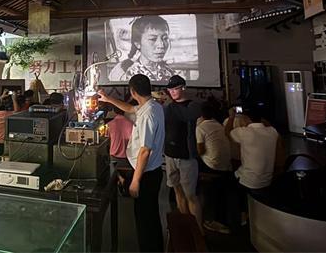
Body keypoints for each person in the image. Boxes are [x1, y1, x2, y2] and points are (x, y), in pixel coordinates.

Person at [98, 74, 165, 252]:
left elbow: (145, 151)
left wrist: (135, 181)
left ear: (133, 92)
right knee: (150, 217)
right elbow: (129, 108)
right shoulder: (152, 106)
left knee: (145, 221)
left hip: (146, 175)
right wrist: (108, 98)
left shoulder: (147, 115)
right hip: (152, 172)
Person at [224, 106, 282, 229]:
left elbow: (227, 132)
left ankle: (239, 218)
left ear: (247, 118)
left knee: (230, 184)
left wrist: (231, 117)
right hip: (267, 180)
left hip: (250, 181)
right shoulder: (273, 132)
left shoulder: (244, 132)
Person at [163, 75, 203, 231]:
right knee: (177, 190)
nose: (172, 92)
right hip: (170, 154)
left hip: (187, 156)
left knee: (191, 195)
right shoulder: (169, 107)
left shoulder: (193, 106)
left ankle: (198, 230)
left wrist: (166, 103)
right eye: (170, 89)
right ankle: (186, 225)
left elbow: (186, 116)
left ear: (184, 88)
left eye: (175, 88)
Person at [196, 101, 232, 234]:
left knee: (193, 164)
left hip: (212, 166)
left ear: (201, 115)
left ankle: (205, 216)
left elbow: (200, 151)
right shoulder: (219, 125)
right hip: (226, 165)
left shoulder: (200, 127)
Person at [108, 15, 178, 82]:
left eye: (165, 38)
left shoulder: (170, 73)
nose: (161, 45)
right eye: (153, 39)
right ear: (137, 43)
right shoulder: (127, 74)